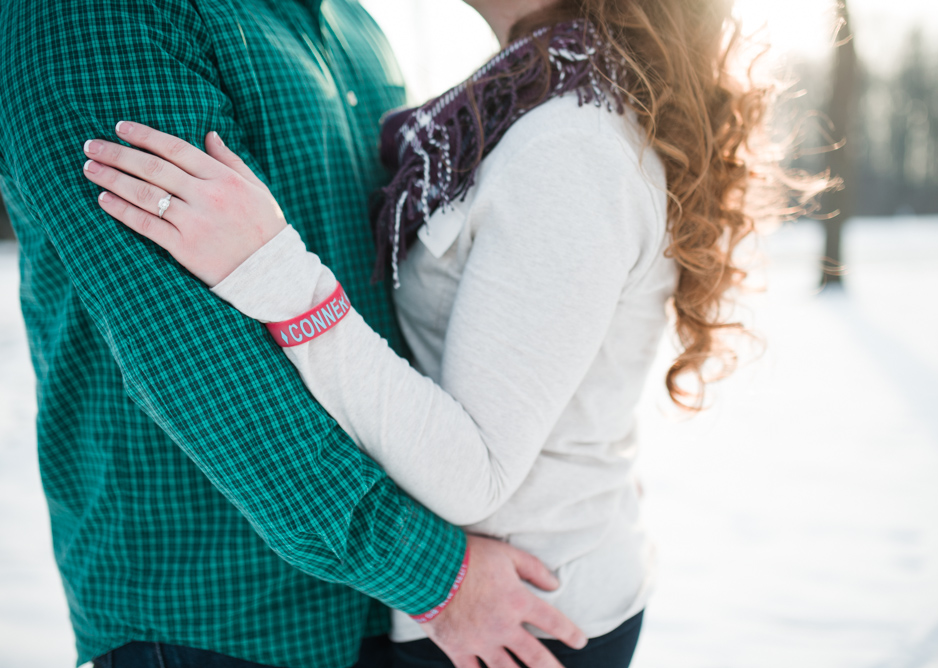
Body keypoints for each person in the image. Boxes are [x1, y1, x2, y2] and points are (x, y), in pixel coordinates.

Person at [75, 0, 791, 666]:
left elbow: (471, 471)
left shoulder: (569, 144)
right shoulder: (535, 105)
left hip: (516, 622)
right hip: (514, 601)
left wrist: (274, 270)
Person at [0, 1, 588, 667]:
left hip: (389, 612)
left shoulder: (352, 25)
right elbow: (200, 359)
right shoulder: (100, 16)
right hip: (213, 619)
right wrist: (438, 578)